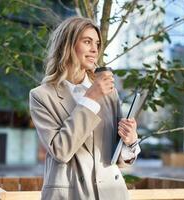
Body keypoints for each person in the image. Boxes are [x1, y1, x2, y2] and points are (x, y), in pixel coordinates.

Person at [29, 17, 141, 200]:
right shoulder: (41, 96)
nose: (94, 49)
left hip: (111, 193)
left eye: (96, 43)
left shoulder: (109, 93)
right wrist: (91, 97)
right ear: (67, 45)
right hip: (70, 194)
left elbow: (118, 160)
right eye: (87, 42)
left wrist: (130, 142)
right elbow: (61, 150)